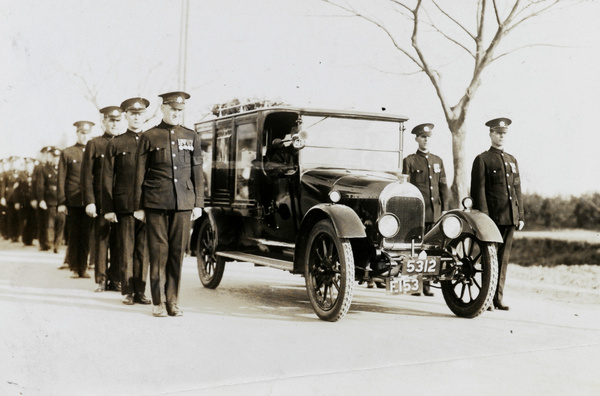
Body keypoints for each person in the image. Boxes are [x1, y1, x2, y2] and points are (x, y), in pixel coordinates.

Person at [133, 91, 204, 317]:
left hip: (183, 204)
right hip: (155, 203)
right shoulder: (150, 136)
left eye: (180, 110)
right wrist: (139, 206)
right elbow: (139, 174)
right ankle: (157, 302)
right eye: (172, 109)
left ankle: (172, 301)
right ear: (163, 109)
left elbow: (197, 173)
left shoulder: (191, 136)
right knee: (158, 253)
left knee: (176, 254)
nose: (176, 113)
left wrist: (198, 204)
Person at [470, 117, 524, 311]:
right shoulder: (482, 159)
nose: (501, 136)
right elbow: (479, 191)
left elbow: (517, 189)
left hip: (509, 216)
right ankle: (487, 298)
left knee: (503, 260)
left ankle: (497, 298)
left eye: (504, 133)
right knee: (489, 259)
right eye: (497, 132)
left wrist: (520, 215)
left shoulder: (512, 160)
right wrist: (483, 219)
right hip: (492, 219)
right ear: (490, 134)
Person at [103, 98, 151, 304]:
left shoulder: (152, 140)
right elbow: (106, 178)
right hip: (124, 206)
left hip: (149, 205)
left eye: (140, 114)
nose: (137, 117)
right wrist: (108, 208)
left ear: (145, 116)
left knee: (143, 251)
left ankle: (141, 291)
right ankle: (128, 292)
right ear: (126, 116)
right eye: (132, 114)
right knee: (126, 249)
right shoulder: (116, 143)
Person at [402, 123, 450, 296]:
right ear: (416, 139)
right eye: (423, 137)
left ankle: (427, 285)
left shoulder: (438, 161)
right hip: (417, 214)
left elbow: (444, 187)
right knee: (415, 249)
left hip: (435, 213)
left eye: (428, 137)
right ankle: (415, 285)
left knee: (432, 249)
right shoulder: (409, 161)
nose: (426, 140)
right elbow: (405, 188)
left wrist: (445, 210)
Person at [82, 106, 123, 293]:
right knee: (101, 240)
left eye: (117, 120)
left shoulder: (124, 142)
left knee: (118, 241)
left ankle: (115, 279)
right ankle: (101, 279)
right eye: (111, 120)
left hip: (120, 201)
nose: (115, 124)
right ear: (103, 122)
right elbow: (86, 176)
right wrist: (89, 201)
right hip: (99, 201)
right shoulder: (94, 144)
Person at [58, 121, 94, 279]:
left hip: (89, 201)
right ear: (77, 134)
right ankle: (74, 267)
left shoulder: (93, 151)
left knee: (86, 235)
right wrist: (61, 201)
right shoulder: (68, 152)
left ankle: (83, 268)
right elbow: (61, 178)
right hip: (72, 201)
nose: (84, 135)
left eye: (86, 133)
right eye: (81, 133)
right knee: (73, 235)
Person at [36, 147, 65, 255]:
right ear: (51, 157)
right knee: (50, 224)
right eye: (54, 157)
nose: (56, 159)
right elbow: (40, 186)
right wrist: (41, 200)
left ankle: (57, 245)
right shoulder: (44, 169)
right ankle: (50, 244)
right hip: (50, 201)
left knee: (61, 223)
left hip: (61, 201)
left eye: (58, 157)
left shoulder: (63, 169)